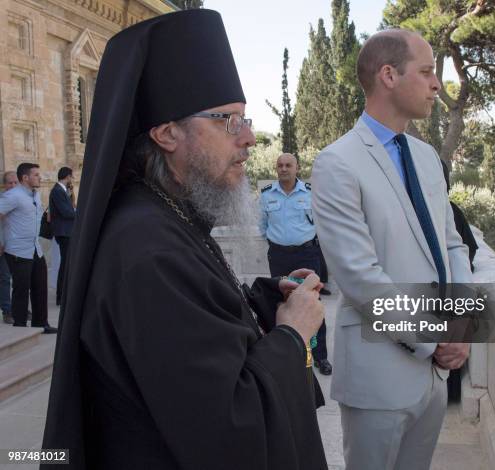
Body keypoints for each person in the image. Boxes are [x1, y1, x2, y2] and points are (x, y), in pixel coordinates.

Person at [42, 10, 327, 470]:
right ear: (167, 133)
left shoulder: (165, 215)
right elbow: (228, 427)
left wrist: (264, 302)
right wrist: (293, 334)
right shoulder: (146, 249)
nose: (250, 137)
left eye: (245, 119)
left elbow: (194, 331)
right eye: (228, 121)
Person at [312, 29, 473, 470]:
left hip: (434, 376)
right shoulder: (337, 163)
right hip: (377, 373)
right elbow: (360, 277)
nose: (436, 84)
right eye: (426, 72)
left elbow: (453, 244)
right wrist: (434, 336)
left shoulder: (427, 159)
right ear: (388, 75)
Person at [259, 153, 332, 375]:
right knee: (281, 304)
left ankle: (320, 357)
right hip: (279, 256)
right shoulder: (266, 195)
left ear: (296, 168)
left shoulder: (310, 193)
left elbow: (321, 221)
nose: (283, 169)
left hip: (307, 255)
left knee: (312, 302)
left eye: (288, 165)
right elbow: (263, 226)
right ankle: (287, 356)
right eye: (280, 165)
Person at [0, 164, 56, 334]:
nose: (40, 178)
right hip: (18, 250)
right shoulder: (13, 196)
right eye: (36, 175)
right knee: (21, 289)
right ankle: (20, 326)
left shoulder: (35, 195)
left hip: (35, 248)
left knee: (40, 286)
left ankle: (41, 323)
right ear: (25, 178)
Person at [49, 166, 76, 306]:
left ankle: (64, 295)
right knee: (65, 264)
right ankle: (61, 296)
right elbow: (66, 212)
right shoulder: (57, 191)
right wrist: (81, 213)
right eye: (72, 176)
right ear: (67, 176)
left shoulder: (63, 191)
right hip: (64, 232)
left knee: (68, 263)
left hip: (67, 231)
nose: (72, 179)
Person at [0, 171, 18, 323]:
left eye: (15, 183)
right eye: (9, 183)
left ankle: (16, 307)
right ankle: (7, 311)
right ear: (4, 185)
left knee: (16, 279)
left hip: (17, 246)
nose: (12, 186)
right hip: (3, 246)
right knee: (5, 278)